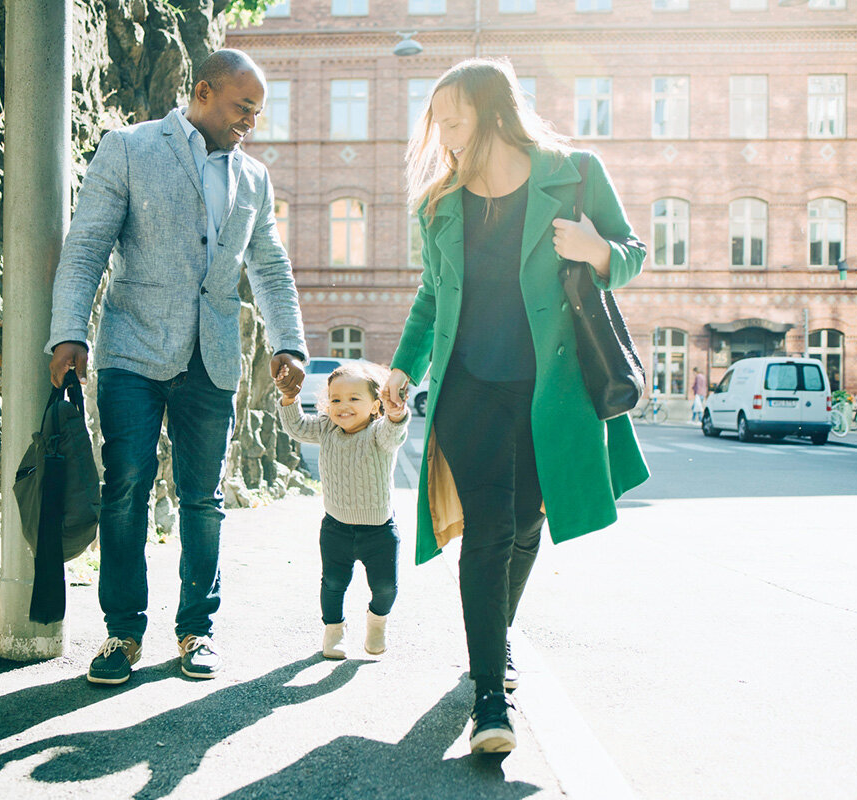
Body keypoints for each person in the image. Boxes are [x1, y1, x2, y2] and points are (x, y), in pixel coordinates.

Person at [381, 59, 650, 755]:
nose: (442, 131)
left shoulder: (575, 173)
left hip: (547, 393)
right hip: (467, 390)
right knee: (488, 532)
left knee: (528, 520)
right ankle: (489, 699)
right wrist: (403, 368)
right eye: (436, 120)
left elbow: (632, 251)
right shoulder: (440, 203)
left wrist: (596, 252)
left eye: (452, 116)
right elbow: (431, 296)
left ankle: (492, 644)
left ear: (493, 111)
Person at [47, 49, 307, 685]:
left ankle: (197, 630)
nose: (251, 121)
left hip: (212, 357)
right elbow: (87, 247)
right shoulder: (128, 148)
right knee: (126, 490)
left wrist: (288, 344)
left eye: (258, 112)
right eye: (243, 107)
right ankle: (121, 635)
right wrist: (67, 334)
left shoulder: (254, 179)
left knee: (203, 500)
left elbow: (268, 266)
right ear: (203, 91)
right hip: (132, 349)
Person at [275, 362, 409, 660]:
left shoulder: (379, 434)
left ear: (376, 405)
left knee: (385, 587)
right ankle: (334, 629)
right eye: (335, 399)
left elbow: (394, 433)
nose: (342, 406)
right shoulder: (326, 427)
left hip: (379, 531)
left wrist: (397, 413)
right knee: (333, 584)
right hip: (336, 528)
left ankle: (377, 621)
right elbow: (296, 427)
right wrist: (289, 398)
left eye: (353, 398)